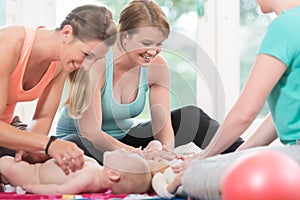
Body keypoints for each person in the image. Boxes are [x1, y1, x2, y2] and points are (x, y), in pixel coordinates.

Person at [56, 0, 243, 164]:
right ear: (125, 36)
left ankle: (246, 154)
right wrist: (140, 155)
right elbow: (92, 134)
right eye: (146, 43)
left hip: (125, 141)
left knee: (192, 115)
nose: (153, 51)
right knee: (78, 143)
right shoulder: (98, 62)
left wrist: (166, 156)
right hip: (86, 144)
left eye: (159, 43)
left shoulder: (157, 67)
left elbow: (163, 126)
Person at [170, 0, 300, 199]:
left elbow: (244, 114)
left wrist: (202, 159)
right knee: (223, 162)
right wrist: (235, 155)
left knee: (192, 174)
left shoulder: (284, 27)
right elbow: (280, 118)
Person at [0, 4, 118, 174]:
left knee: (73, 149)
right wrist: (47, 144)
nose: (86, 67)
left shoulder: (60, 63)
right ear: (67, 33)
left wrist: (31, 151)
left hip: (8, 130)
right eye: (86, 55)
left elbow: (42, 118)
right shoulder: (8, 44)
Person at [0, 149, 152, 195]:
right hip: (39, 164)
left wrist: (33, 187)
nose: (123, 151)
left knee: (5, 162)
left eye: (124, 155)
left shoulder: (88, 178)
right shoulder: (97, 168)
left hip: (33, 175)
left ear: (113, 174)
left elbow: (60, 190)